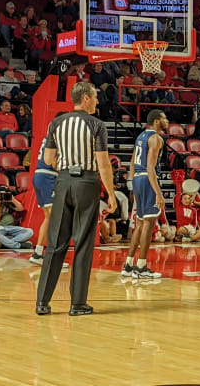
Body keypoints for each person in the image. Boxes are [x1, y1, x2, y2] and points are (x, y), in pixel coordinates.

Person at [36, 82, 117, 317]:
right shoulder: (96, 125)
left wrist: (64, 167)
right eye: (95, 97)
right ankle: (77, 304)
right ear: (85, 99)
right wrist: (111, 194)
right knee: (82, 244)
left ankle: (42, 302)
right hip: (86, 182)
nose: (97, 101)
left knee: (55, 244)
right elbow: (103, 163)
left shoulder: (57, 123)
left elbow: (49, 157)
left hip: (62, 182)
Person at [121, 110, 168, 280]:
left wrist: (132, 182)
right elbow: (150, 167)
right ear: (156, 121)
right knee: (148, 224)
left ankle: (128, 264)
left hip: (138, 180)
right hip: (148, 180)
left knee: (140, 223)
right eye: (164, 118)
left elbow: (133, 161)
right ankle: (141, 267)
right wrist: (158, 193)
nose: (167, 121)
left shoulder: (140, 136)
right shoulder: (156, 138)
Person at [30, 112, 69, 268]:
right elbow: (53, 162)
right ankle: (53, 257)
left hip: (39, 175)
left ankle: (38, 253)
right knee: (56, 219)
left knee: (49, 218)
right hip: (47, 176)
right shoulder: (58, 136)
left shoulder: (50, 134)